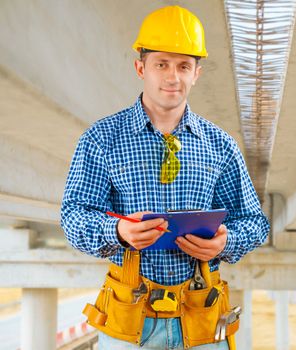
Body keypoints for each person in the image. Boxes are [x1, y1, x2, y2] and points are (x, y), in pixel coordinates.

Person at [61, 5, 269, 349]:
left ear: (196, 73)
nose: (173, 77)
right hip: (130, 321)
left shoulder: (220, 145)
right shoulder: (102, 139)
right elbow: (73, 216)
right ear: (140, 67)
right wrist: (118, 231)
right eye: (162, 64)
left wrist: (225, 242)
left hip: (200, 319)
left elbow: (254, 222)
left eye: (183, 66)